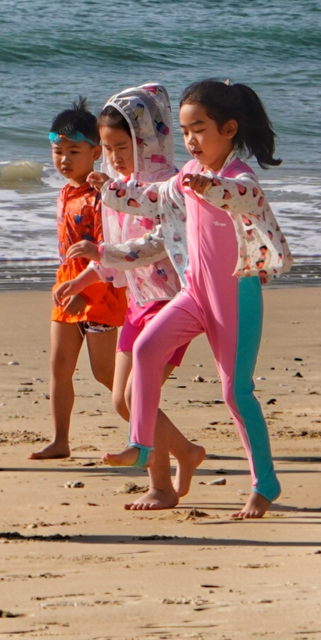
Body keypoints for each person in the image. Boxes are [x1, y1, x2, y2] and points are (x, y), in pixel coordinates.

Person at [111, 80, 294, 519]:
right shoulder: (184, 179)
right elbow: (151, 200)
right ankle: (141, 444)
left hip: (236, 296)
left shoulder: (234, 177)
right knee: (146, 348)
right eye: (185, 131)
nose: (191, 140)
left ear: (229, 129)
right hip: (194, 293)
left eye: (200, 129)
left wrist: (208, 187)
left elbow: (248, 196)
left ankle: (264, 484)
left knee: (236, 393)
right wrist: (111, 188)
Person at [90, 84, 206, 494]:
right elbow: (113, 242)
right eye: (108, 148)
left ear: (145, 138)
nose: (116, 157)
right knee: (122, 401)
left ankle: (160, 485)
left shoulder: (167, 185)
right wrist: (92, 272)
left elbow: (155, 244)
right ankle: (186, 453)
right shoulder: (119, 186)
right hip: (138, 303)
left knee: (139, 397)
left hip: (172, 303)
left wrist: (104, 253)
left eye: (123, 146)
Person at [37, 102, 128, 461]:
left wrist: (85, 292)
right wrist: (70, 287)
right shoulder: (66, 191)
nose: (64, 160)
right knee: (59, 366)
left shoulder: (99, 196)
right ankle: (60, 440)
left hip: (99, 290)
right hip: (67, 285)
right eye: (58, 151)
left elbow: (108, 253)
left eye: (73, 152)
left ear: (95, 152)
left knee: (106, 373)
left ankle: (150, 431)